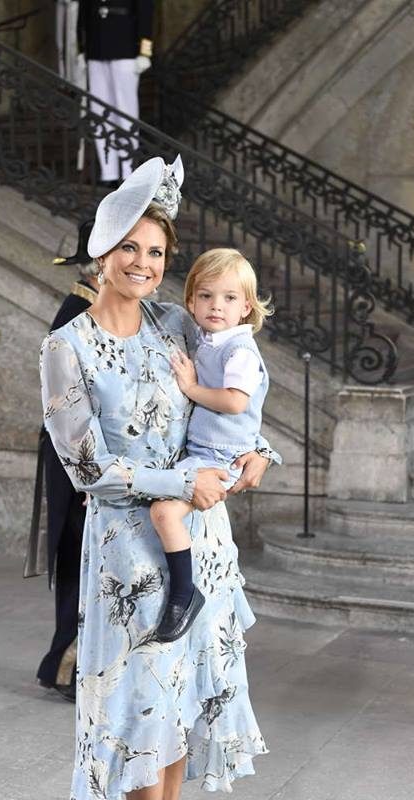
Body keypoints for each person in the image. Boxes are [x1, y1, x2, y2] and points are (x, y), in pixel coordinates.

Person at [39, 155, 276, 800]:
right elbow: (87, 468)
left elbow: (231, 402)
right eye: (129, 249)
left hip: (200, 538)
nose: (143, 264)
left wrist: (259, 452)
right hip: (129, 554)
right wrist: (181, 483)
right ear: (100, 253)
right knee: (145, 707)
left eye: (157, 252)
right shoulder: (67, 347)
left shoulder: (176, 323)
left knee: (178, 707)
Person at [150, 248, 272, 643]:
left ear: (246, 307)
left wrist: (190, 387)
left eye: (229, 297)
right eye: (206, 296)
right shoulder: (208, 339)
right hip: (204, 451)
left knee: (165, 513)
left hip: (218, 457)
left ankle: (184, 593)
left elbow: (236, 402)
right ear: (191, 301)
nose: (216, 305)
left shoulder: (238, 350)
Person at [30, 220, 98, 703]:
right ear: (96, 265)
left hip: (83, 458)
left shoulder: (92, 308)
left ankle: (70, 668)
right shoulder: (76, 314)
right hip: (75, 459)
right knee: (79, 558)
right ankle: (66, 668)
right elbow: (66, 404)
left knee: (86, 561)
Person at [77, 0, 154, 185]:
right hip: (96, 49)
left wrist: (145, 52)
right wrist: (81, 49)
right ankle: (108, 172)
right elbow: (83, 15)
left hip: (125, 48)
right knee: (99, 112)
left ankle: (129, 171)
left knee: (126, 112)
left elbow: (145, 13)